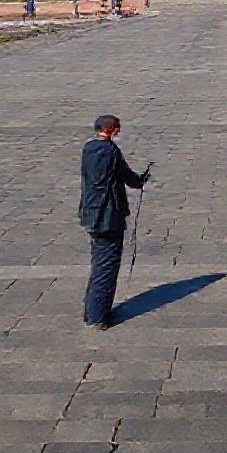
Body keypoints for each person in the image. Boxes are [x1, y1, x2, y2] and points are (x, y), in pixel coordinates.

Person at [79, 114, 151, 330]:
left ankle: (91, 311)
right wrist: (141, 179)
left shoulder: (88, 149)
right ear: (113, 130)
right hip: (108, 217)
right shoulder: (111, 151)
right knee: (107, 266)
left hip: (90, 213)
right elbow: (128, 177)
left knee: (98, 264)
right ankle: (98, 317)